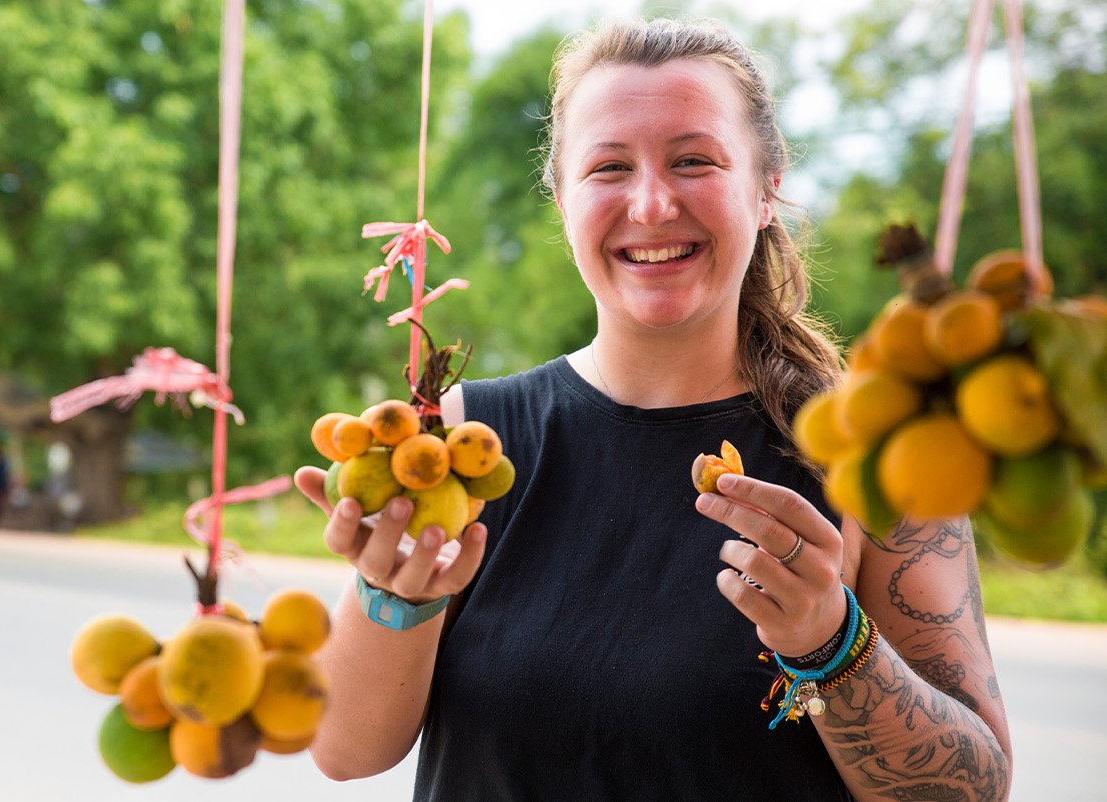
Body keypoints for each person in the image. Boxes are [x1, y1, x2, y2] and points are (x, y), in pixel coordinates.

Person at [293, 17, 1010, 801]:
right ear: (561, 198)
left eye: (693, 160)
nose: (653, 203)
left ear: (766, 190)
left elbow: (969, 789)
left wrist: (832, 644)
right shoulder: (467, 445)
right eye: (609, 168)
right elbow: (347, 750)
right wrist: (396, 597)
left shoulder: (877, 454)